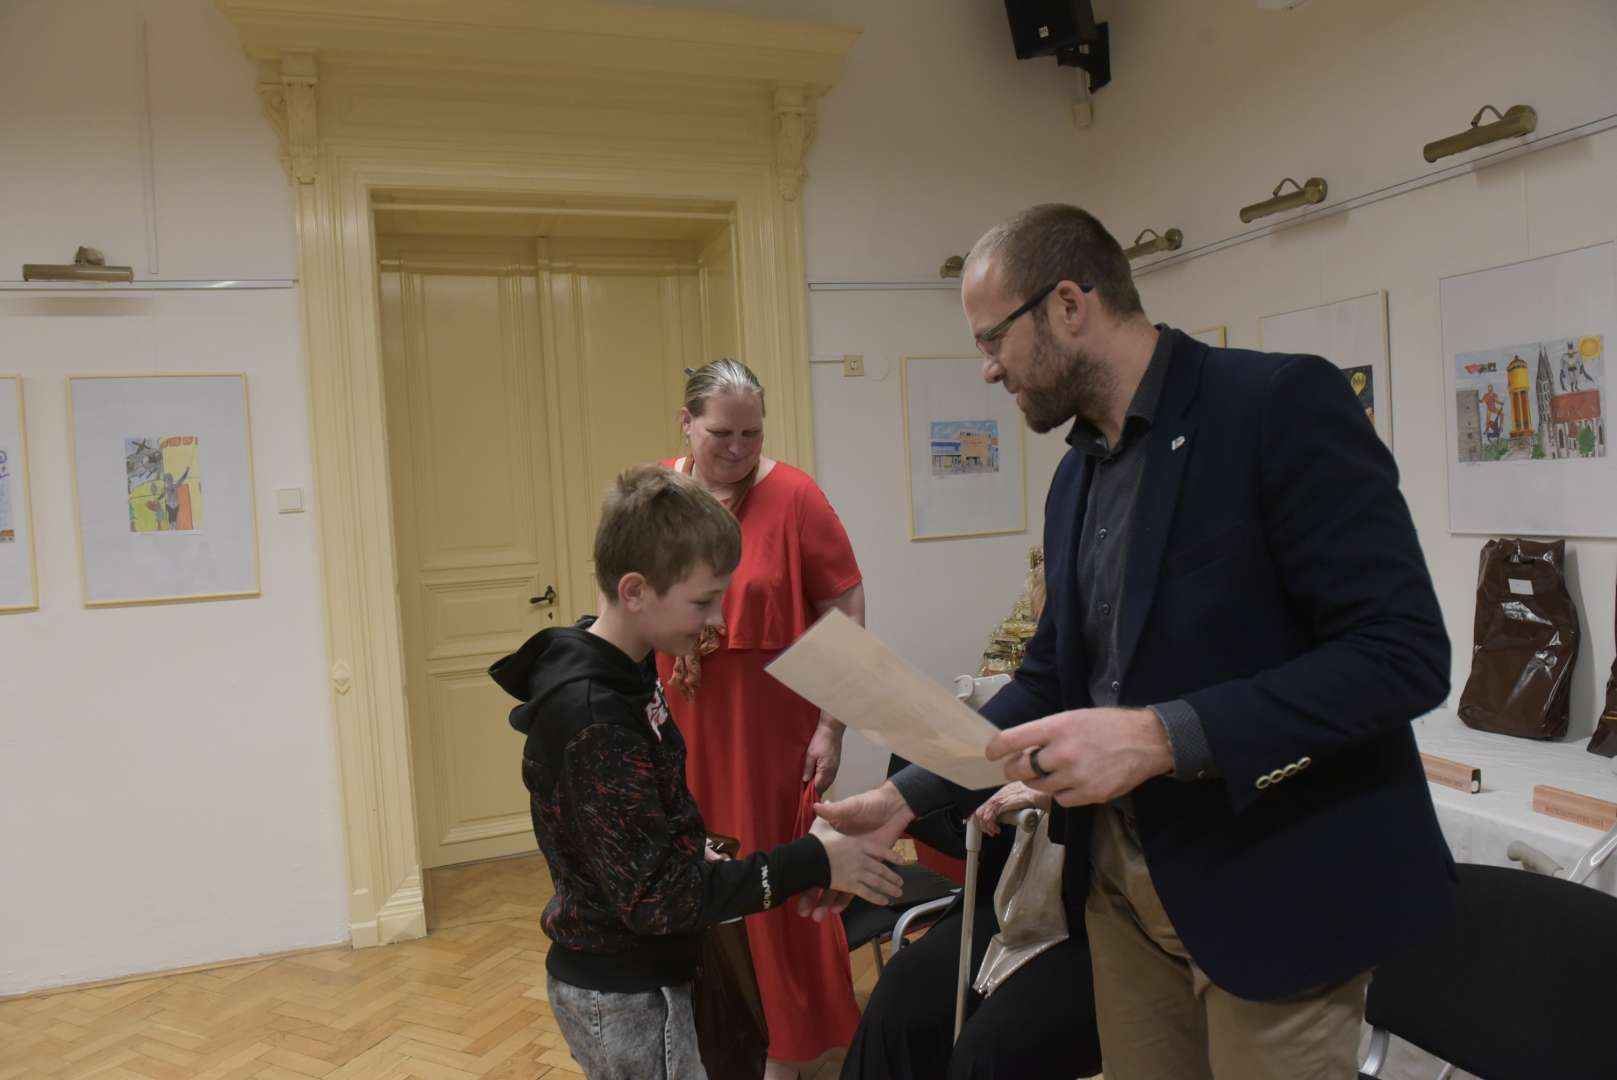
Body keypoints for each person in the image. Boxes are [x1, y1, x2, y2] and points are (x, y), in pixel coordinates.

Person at [812, 203, 1456, 1079]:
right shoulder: (1075, 478)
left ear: (1068, 304)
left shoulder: (1274, 405)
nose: (988, 368)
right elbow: (1047, 677)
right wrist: (905, 795)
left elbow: (1400, 653)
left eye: (993, 339)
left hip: (1275, 889)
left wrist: (1160, 736)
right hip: (1121, 899)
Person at [490, 465, 902, 1080]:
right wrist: (814, 860)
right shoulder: (595, 717)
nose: (719, 621)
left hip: (651, 972)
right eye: (704, 601)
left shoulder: (628, 672)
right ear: (635, 590)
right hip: (628, 992)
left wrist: (692, 850)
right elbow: (662, 900)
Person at [654, 358, 869, 1078]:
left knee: (774, 881)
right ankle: (711, 1040)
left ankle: (787, 1045)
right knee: (688, 878)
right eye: (722, 433)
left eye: (752, 433)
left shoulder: (795, 496)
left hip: (772, 736)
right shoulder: (657, 495)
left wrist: (832, 726)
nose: (738, 448)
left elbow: (844, 607)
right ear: (686, 424)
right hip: (678, 727)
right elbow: (623, 602)